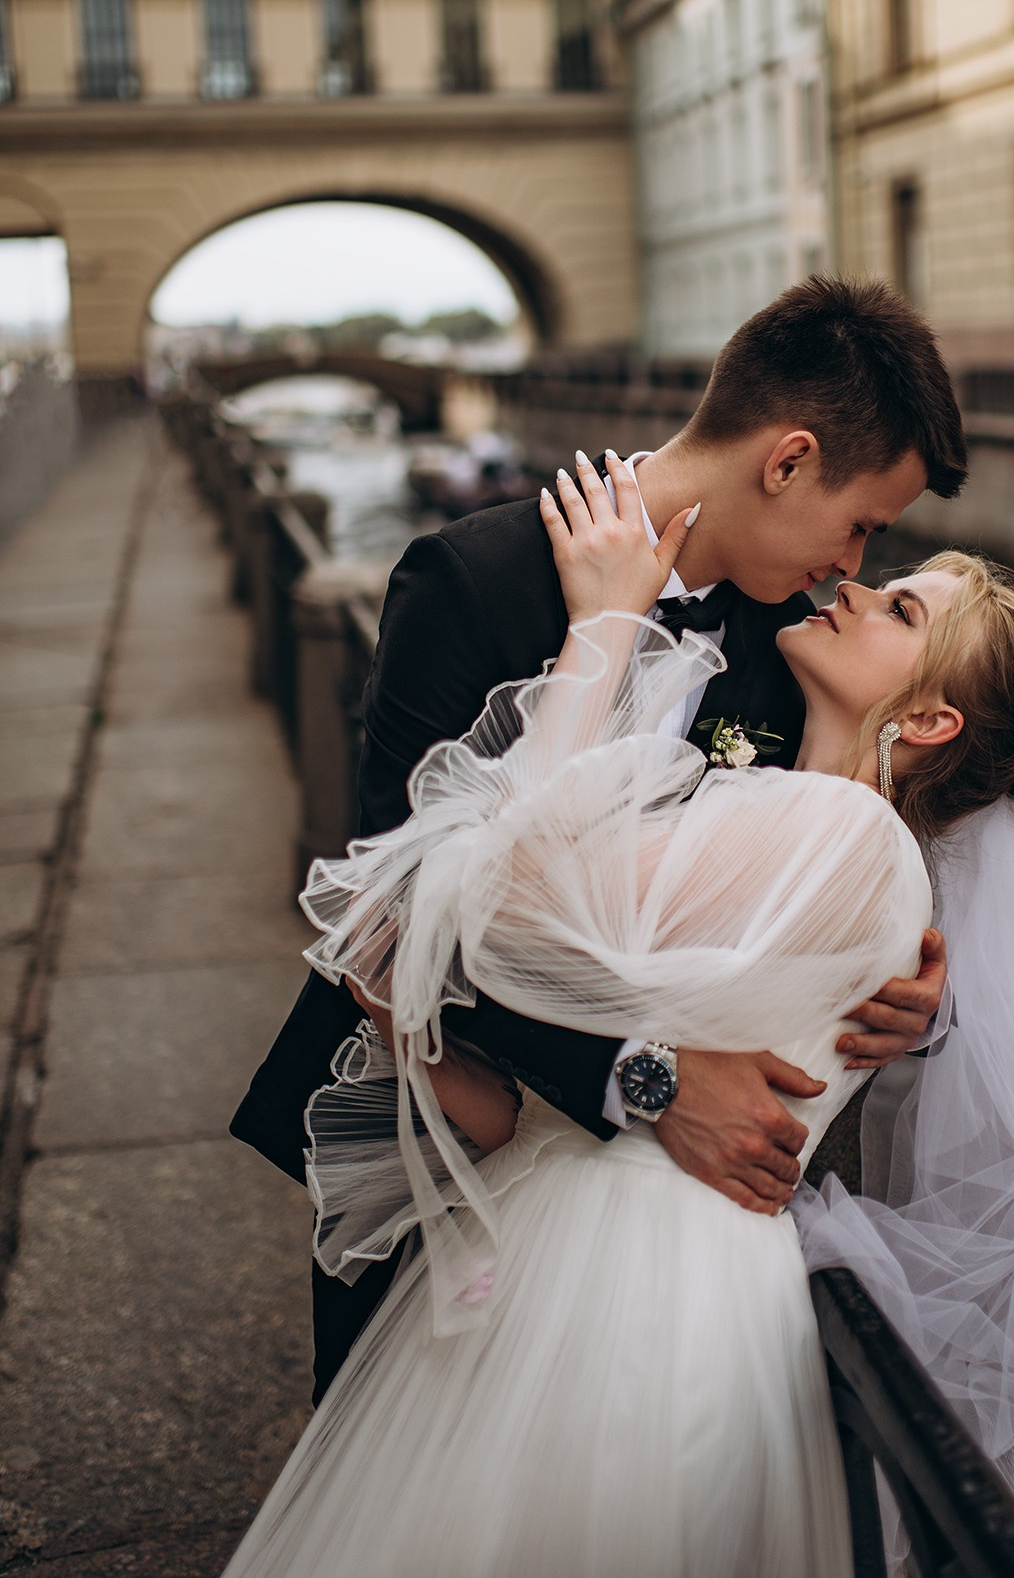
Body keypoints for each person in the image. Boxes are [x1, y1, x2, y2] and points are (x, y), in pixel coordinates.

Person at [222, 459, 1014, 1578]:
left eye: (899, 604)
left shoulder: (842, 833)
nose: (853, 584)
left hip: (635, 1278)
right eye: (869, 545)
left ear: (931, 718)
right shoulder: (807, 793)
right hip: (585, 1220)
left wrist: (604, 630)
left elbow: (488, 902)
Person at [231, 275, 969, 1399]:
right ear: (785, 461)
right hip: (441, 1148)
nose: (851, 566)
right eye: (859, 520)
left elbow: (758, 888)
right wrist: (649, 1076)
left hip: (639, 1231)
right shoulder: (473, 577)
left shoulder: (799, 640)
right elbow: (391, 924)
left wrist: (890, 983)